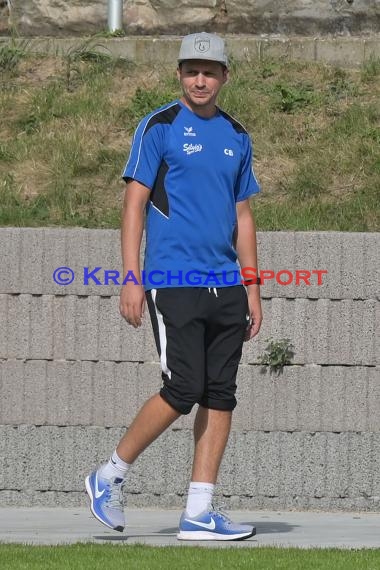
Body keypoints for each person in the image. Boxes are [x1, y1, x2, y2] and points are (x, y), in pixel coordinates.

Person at [85, 31, 262, 541]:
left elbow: (243, 215)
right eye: (191, 70)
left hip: (226, 284)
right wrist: (130, 276)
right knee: (184, 388)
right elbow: (134, 204)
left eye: (210, 71)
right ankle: (109, 475)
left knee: (221, 394)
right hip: (172, 279)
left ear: (225, 76)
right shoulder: (158, 126)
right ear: (179, 75)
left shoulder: (237, 135)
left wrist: (253, 287)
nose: (200, 79)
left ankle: (199, 512)